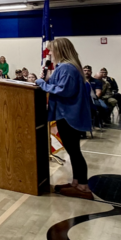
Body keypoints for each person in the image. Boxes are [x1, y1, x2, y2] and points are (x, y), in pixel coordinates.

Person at [36, 38, 94, 199]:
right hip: (66, 114)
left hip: (68, 115)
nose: (50, 54)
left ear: (60, 51)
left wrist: (42, 83)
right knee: (73, 150)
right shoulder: (65, 67)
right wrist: (47, 78)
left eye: (51, 50)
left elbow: (63, 90)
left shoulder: (67, 68)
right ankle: (76, 182)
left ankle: (83, 187)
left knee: (74, 151)